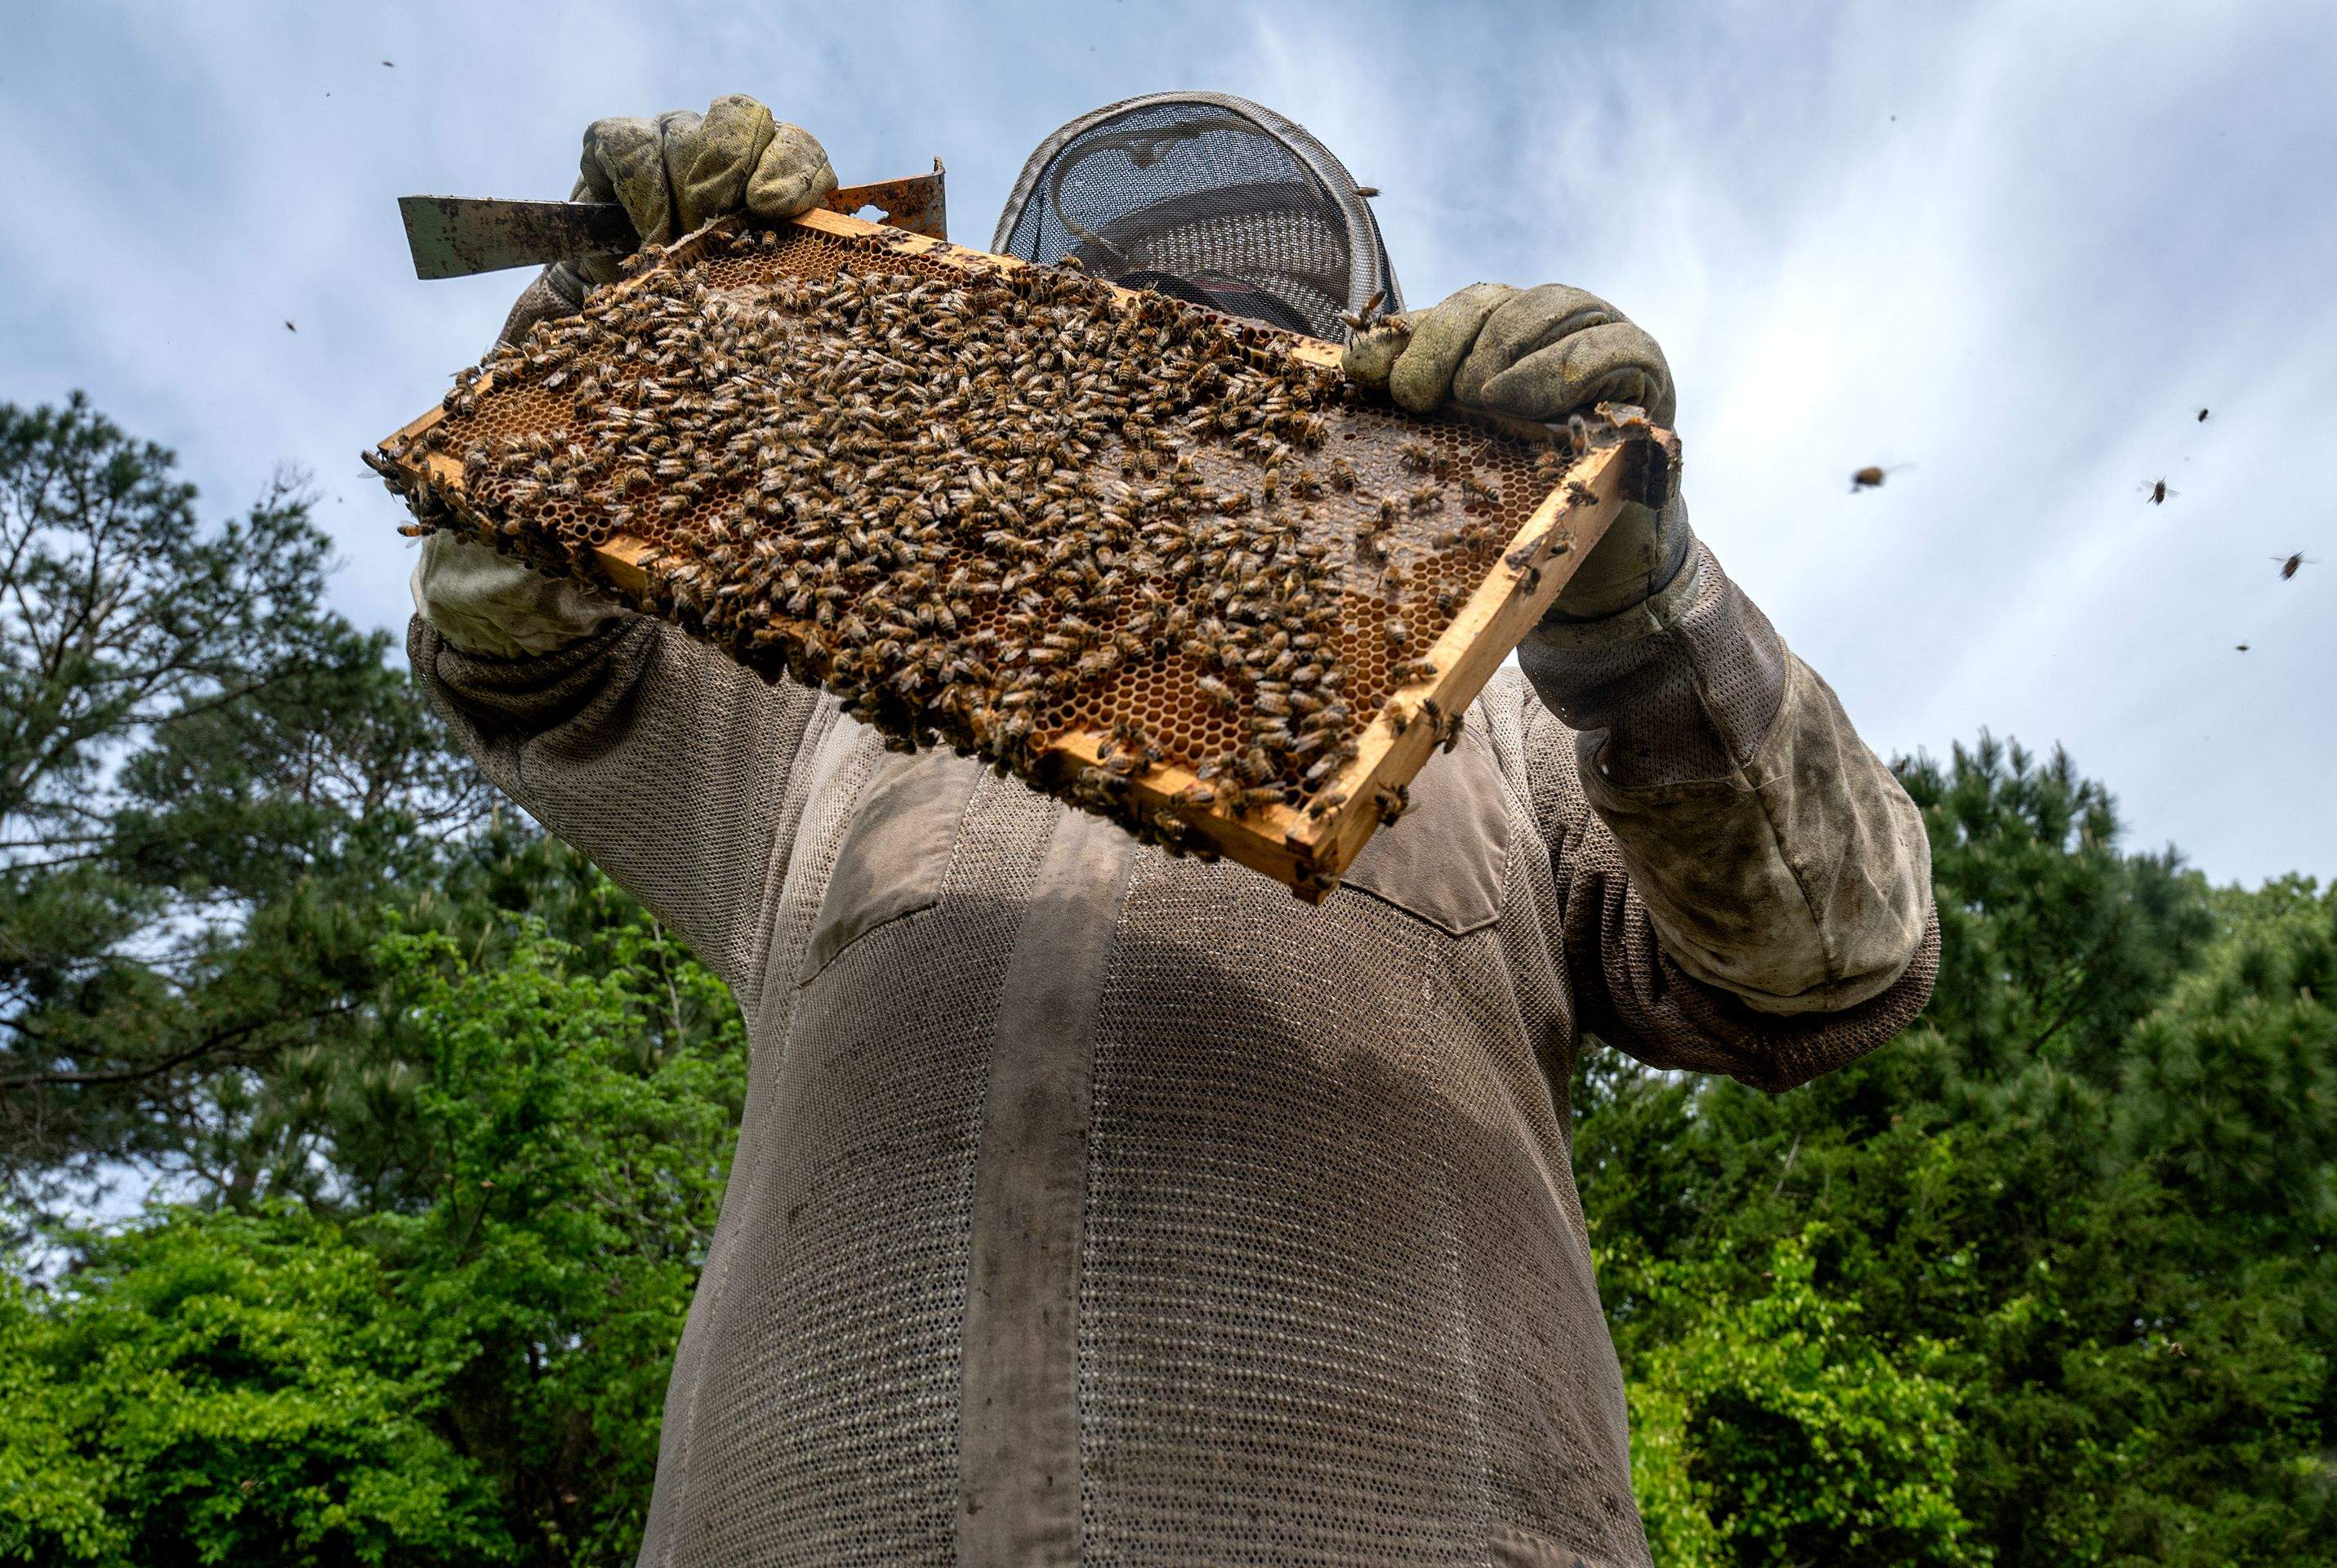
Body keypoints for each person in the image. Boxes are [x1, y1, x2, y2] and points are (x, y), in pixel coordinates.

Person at [410, 91, 1935, 1568]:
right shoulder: (833, 685)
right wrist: (626, 335)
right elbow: (528, 655)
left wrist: (1643, 609)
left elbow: (1828, 958)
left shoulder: (1502, 708)